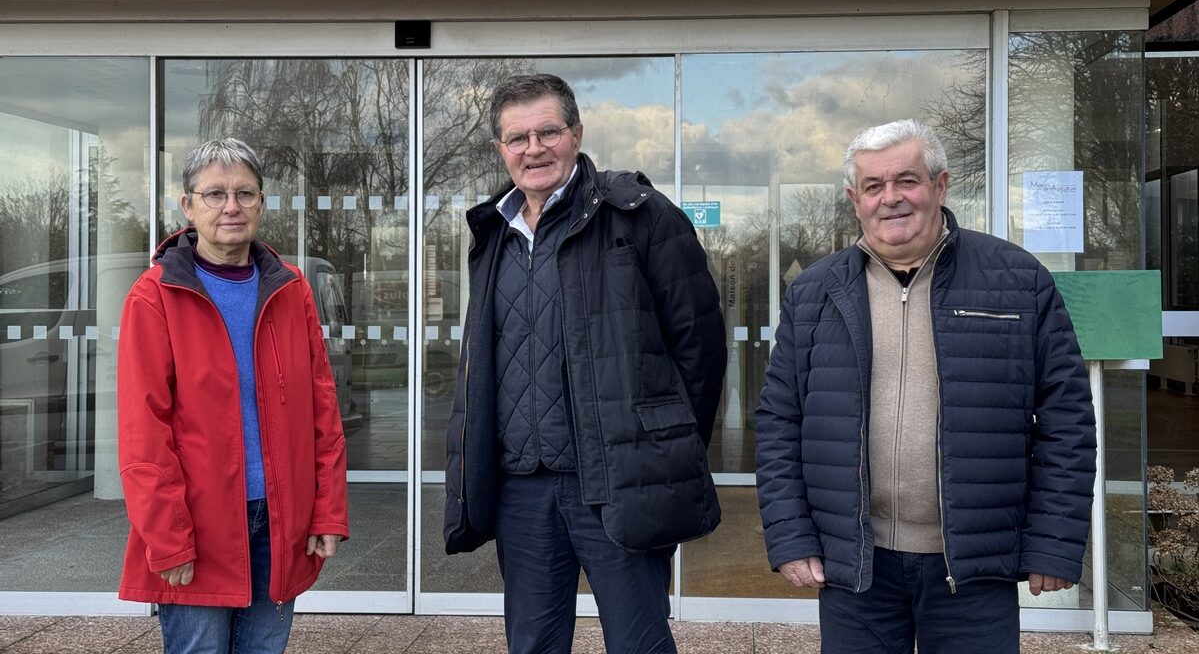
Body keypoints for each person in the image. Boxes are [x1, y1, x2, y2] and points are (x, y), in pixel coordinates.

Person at [755, 120, 1096, 654]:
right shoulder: (814, 293)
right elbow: (779, 421)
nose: (890, 198)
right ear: (854, 199)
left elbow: (1067, 419)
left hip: (972, 567)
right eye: (873, 186)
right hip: (857, 566)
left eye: (906, 181)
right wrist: (791, 536)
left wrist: (1053, 542)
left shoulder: (1017, 280)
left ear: (941, 185)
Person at [443, 73, 726, 654]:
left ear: (576, 133)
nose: (533, 148)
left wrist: (662, 445)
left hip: (616, 483)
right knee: (533, 644)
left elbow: (699, 347)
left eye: (548, 131)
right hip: (522, 489)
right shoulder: (494, 231)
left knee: (639, 642)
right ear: (502, 149)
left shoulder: (640, 215)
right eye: (517, 137)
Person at [117, 138, 349, 654]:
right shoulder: (154, 297)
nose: (231, 207)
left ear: (262, 203)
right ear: (188, 206)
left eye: (245, 193)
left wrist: (327, 510)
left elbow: (322, 409)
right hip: (197, 526)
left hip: (280, 518)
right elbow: (143, 434)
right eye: (215, 194)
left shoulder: (291, 288)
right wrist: (167, 537)